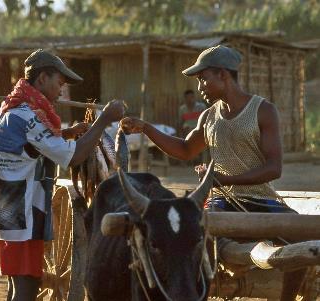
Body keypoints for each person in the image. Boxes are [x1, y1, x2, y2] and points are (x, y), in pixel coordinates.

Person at [120, 45, 305, 300]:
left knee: (303, 242)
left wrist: (225, 179)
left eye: (203, 79)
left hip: (263, 201)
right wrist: (146, 128)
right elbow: (185, 149)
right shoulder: (208, 117)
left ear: (223, 75)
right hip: (221, 203)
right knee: (193, 238)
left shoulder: (263, 110)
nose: (200, 87)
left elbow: (274, 168)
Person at [0, 49, 124, 301]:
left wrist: (68, 133)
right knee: (27, 288)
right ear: (41, 80)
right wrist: (104, 120)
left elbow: (31, 146)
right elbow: (72, 157)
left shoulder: (12, 108)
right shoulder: (27, 116)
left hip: (7, 212)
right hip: (22, 215)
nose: (61, 91)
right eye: (59, 83)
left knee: (16, 285)